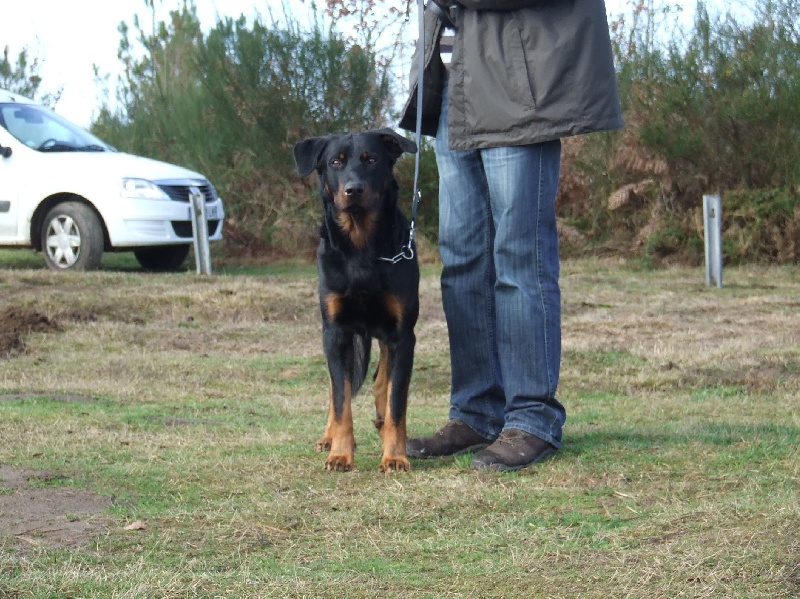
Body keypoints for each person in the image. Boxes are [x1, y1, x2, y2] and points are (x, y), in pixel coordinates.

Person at [398, 0, 623, 471]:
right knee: (462, 262)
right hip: (453, 84)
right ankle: (476, 413)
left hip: (516, 89)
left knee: (520, 257)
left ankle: (533, 419)